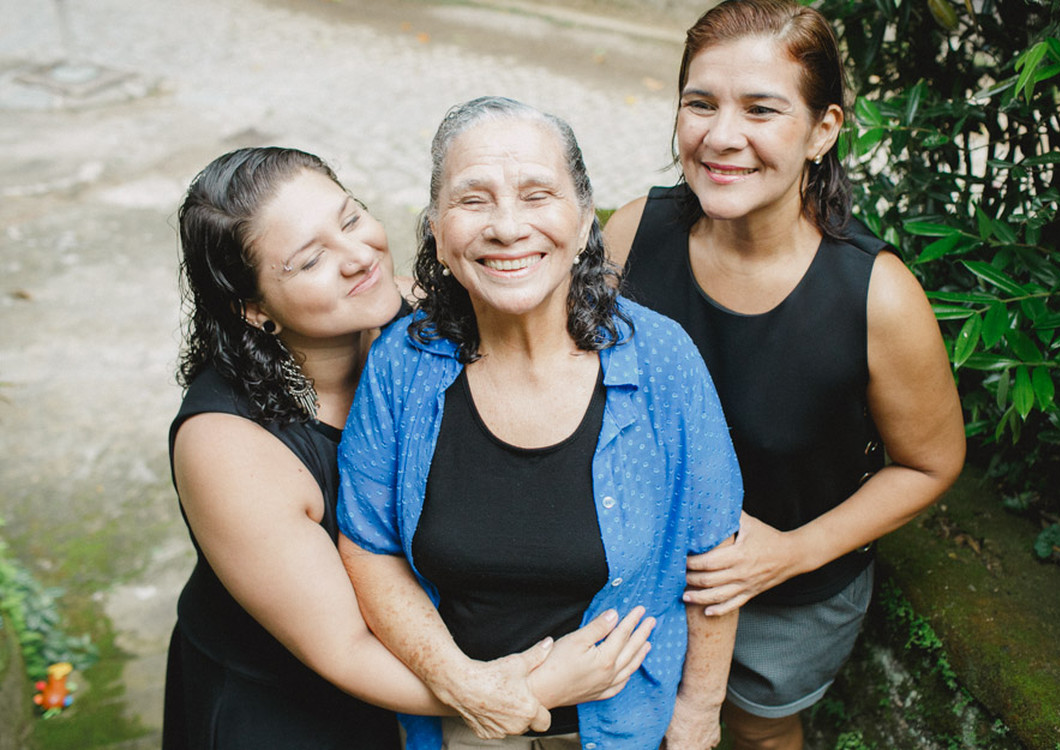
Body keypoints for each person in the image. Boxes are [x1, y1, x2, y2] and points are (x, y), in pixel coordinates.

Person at [164, 146, 654, 749]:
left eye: (350, 218)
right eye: (311, 259)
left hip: (413, 677)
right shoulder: (226, 448)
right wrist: (528, 688)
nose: (358, 257)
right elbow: (343, 648)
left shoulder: (404, 310)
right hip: (284, 705)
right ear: (254, 308)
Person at [604, 2, 967, 748]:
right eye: (700, 103)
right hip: (637, 557)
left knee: (759, 732)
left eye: (761, 109)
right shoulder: (633, 233)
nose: (720, 135)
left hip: (789, 593)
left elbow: (931, 463)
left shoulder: (877, 295)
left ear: (823, 129)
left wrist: (790, 554)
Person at [337, 96, 744, 750]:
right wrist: (470, 687)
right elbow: (368, 545)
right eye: (473, 200)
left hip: (623, 727)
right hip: (456, 726)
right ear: (438, 232)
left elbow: (713, 551)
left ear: (584, 221)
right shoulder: (402, 363)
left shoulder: (662, 360)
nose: (506, 227)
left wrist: (700, 710)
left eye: (537, 194)